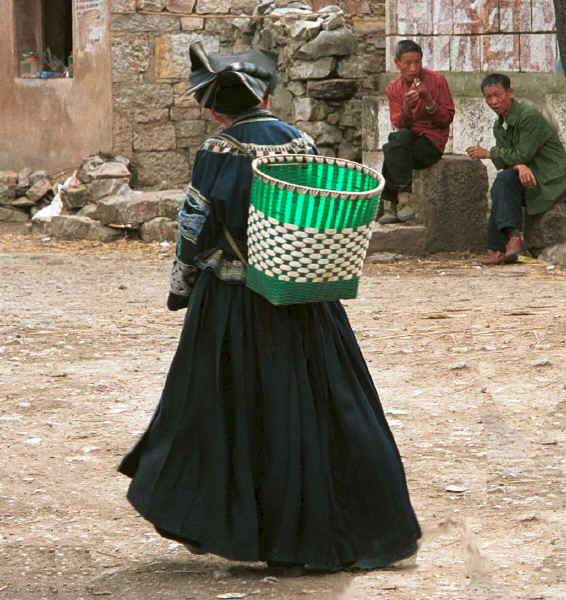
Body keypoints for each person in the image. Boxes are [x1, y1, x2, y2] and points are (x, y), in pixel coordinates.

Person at [118, 41, 421, 576]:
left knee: (224, 411)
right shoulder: (301, 142)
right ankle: (332, 533)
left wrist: (182, 288)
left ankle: (241, 526)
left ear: (217, 105)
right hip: (302, 297)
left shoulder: (218, 151)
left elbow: (195, 228)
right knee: (316, 407)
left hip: (233, 302)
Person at [466, 73, 566, 265]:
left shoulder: (528, 117)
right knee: (502, 184)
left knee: (503, 182)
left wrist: (490, 153)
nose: (494, 101)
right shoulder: (499, 125)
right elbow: (514, 158)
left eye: (498, 95)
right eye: (488, 97)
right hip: (529, 174)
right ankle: (501, 247)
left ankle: (510, 241)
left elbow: (521, 154)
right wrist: (519, 165)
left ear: (510, 93)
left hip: (551, 178)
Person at [379, 39, 455, 224]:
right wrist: (407, 107)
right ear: (397, 63)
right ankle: (401, 202)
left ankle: (393, 203)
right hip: (407, 142)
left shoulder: (437, 81)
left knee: (393, 146)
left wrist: (428, 100)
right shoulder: (394, 88)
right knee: (397, 140)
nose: (413, 68)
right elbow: (400, 123)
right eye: (408, 63)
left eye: (417, 62)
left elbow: (446, 119)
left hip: (431, 144)